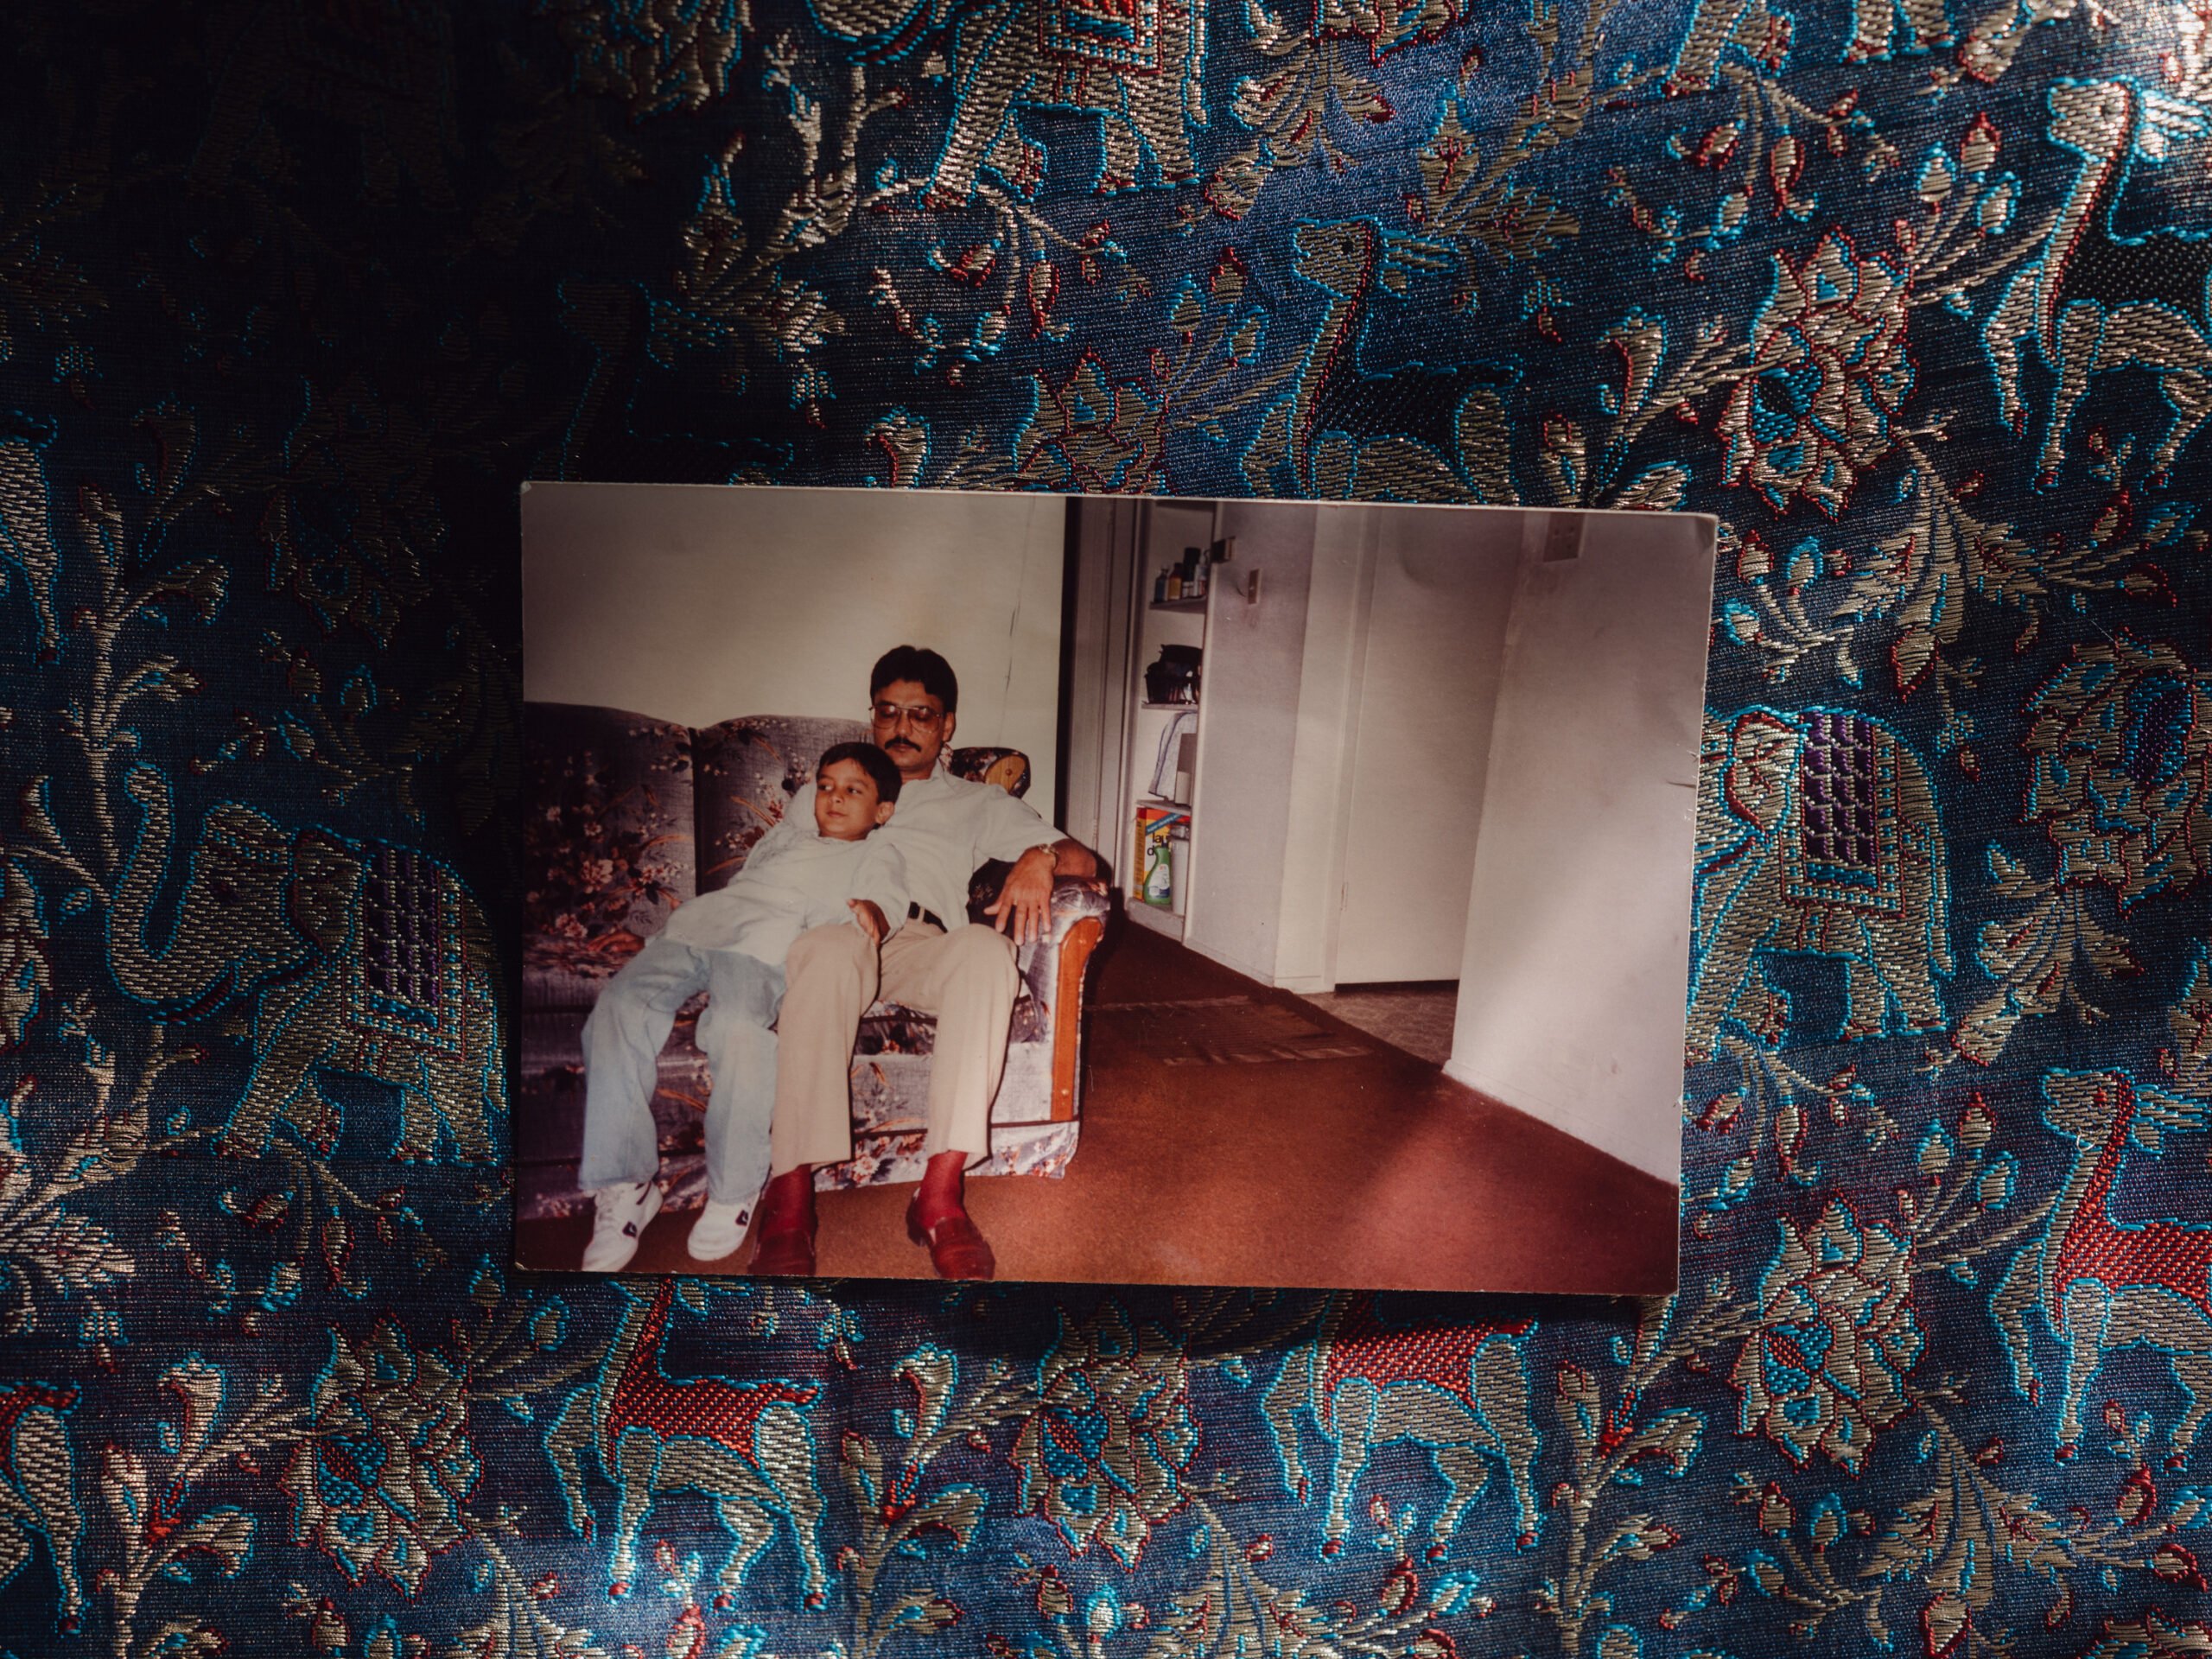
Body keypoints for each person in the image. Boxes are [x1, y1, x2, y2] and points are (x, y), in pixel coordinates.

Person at [750, 645, 1099, 1281]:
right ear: (872, 718)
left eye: (921, 715)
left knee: (988, 952)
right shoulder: (827, 789)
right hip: (834, 930)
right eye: (888, 713)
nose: (902, 728)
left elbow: (1085, 861)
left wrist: (1040, 858)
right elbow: (762, 872)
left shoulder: (976, 803)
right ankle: (791, 1201)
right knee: (826, 953)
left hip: (919, 942)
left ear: (947, 727)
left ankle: (937, 1196)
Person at [578, 743, 909, 1271]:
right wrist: (650, 936)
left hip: (761, 946)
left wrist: (873, 909)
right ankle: (626, 1184)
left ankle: (733, 1187)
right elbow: (744, 878)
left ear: (883, 810)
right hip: (698, 926)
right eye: (826, 786)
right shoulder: (788, 836)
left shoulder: (878, 851)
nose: (834, 799)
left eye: (854, 790)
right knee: (617, 1007)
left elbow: (888, 901)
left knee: (736, 1027)